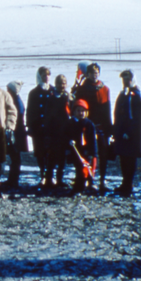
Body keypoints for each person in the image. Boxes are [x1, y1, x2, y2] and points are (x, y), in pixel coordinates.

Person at [73, 63, 112, 192]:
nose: (94, 74)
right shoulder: (82, 88)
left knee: (103, 153)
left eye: (96, 72)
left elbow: (107, 109)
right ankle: (87, 178)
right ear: (87, 74)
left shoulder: (105, 89)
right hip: (87, 125)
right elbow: (77, 107)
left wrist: (109, 128)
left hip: (101, 126)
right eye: (91, 72)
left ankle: (102, 178)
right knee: (87, 153)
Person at [113, 69, 141, 196]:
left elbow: (136, 117)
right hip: (121, 132)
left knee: (130, 159)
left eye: (128, 79)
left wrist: (129, 132)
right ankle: (125, 182)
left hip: (130, 135)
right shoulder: (123, 94)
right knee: (123, 158)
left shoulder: (135, 95)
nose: (126, 81)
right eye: (124, 79)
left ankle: (129, 184)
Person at [42, 74, 73, 188]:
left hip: (65, 131)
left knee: (62, 158)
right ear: (56, 84)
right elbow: (47, 116)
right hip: (53, 131)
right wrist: (47, 133)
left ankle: (60, 179)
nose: (62, 86)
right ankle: (49, 180)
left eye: (64, 83)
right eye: (60, 83)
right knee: (51, 157)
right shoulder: (51, 98)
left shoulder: (68, 97)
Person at [26, 67, 56, 178]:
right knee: (40, 151)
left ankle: (50, 175)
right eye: (44, 75)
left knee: (51, 151)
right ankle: (43, 173)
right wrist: (30, 125)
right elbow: (30, 110)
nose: (46, 77)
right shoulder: (34, 93)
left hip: (51, 127)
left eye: (48, 75)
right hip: (38, 127)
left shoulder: (53, 91)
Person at [67, 99, 99, 194]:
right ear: (74, 112)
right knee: (79, 167)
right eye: (78, 111)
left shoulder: (89, 124)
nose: (81, 113)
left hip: (87, 150)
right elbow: (66, 134)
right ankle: (80, 184)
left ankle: (88, 183)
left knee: (87, 167)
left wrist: (93, 153)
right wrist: (69, 141)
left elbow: (92, 140)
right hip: (76, 150)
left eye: (83, 111)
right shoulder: (71, 123)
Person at [4, 80, 28, 189]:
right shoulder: (17, 100)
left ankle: (13, 180)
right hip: (19, 132)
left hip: (16, 133)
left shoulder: (14, 101)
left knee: (15, 158)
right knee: (15, 158)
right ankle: (13, 180)